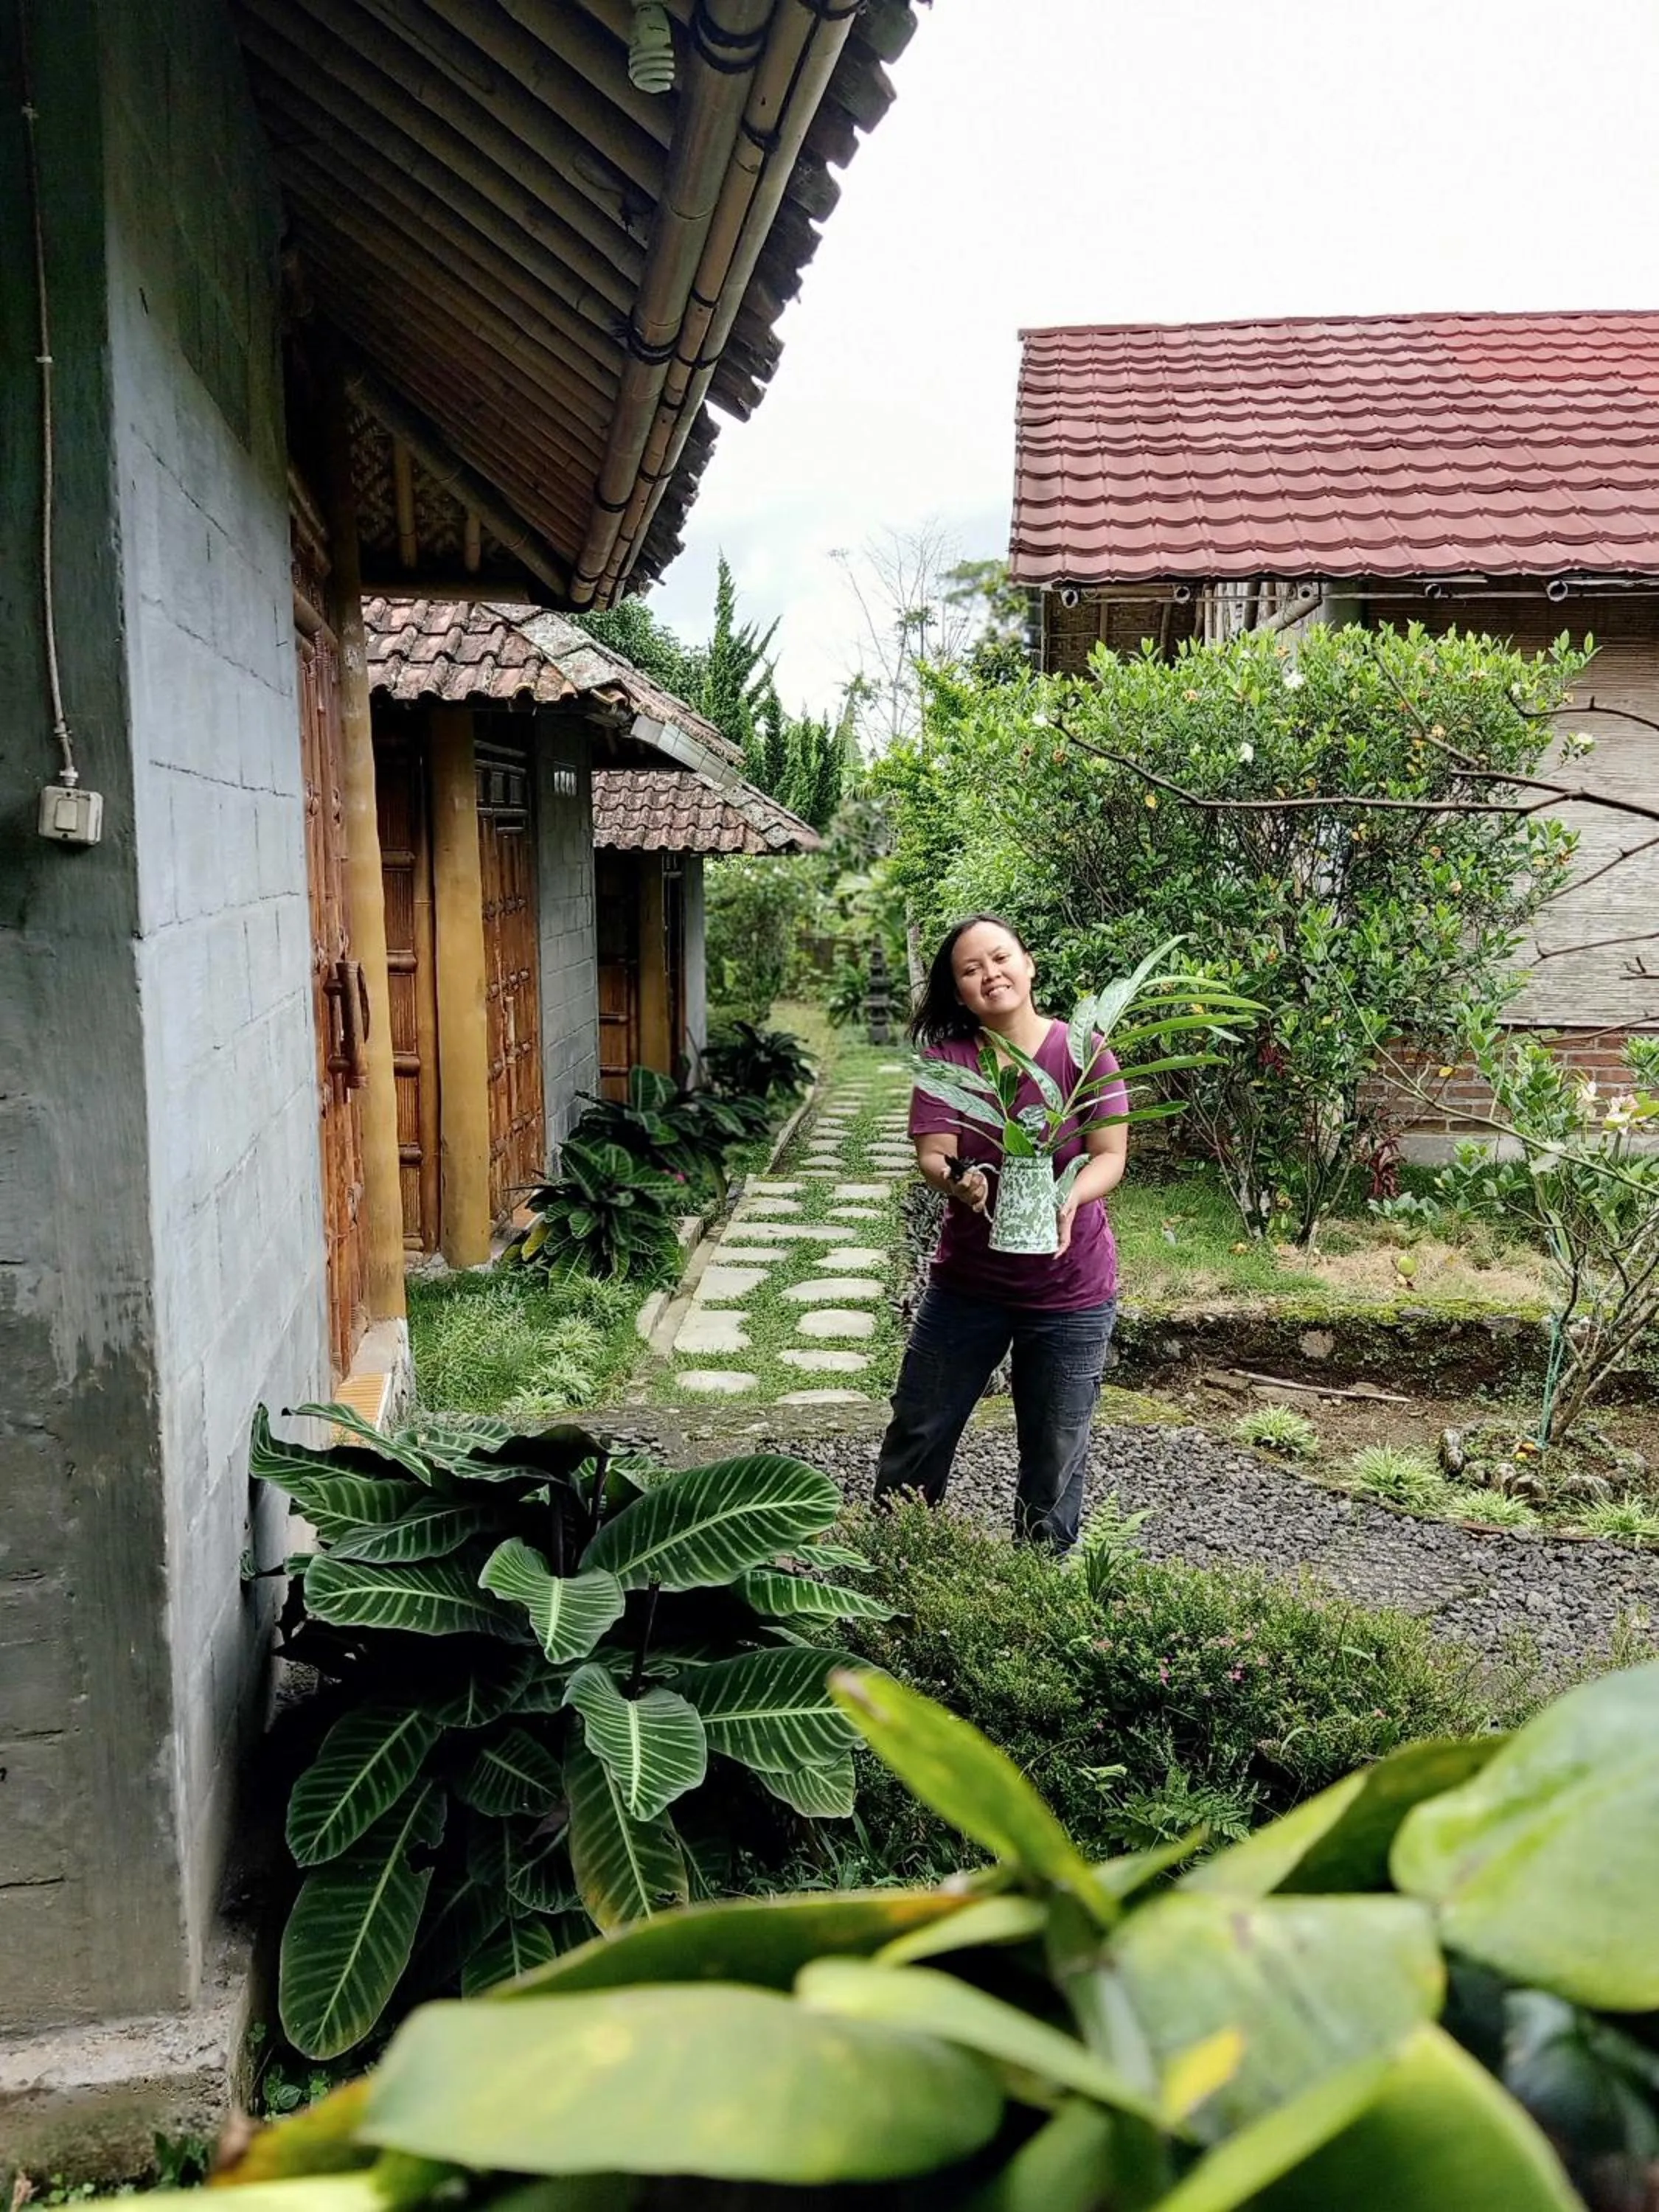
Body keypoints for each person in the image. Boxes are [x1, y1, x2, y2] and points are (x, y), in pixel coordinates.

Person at [872, 914, 1128, 1550]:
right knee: (919, 1432)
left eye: (999, 958)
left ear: (1029, 963)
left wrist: (1071, 1196)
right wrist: (959, 1182)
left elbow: (1110, 1156)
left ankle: (1035, 1591)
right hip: (967, 1288)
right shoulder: (949, 1062)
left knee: (1055, 1455)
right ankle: (893, 1563)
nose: (990, 975)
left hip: (1072, 1290)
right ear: (958, 992)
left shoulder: (1085, 1052)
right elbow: (934, 1155)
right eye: (970, 970)